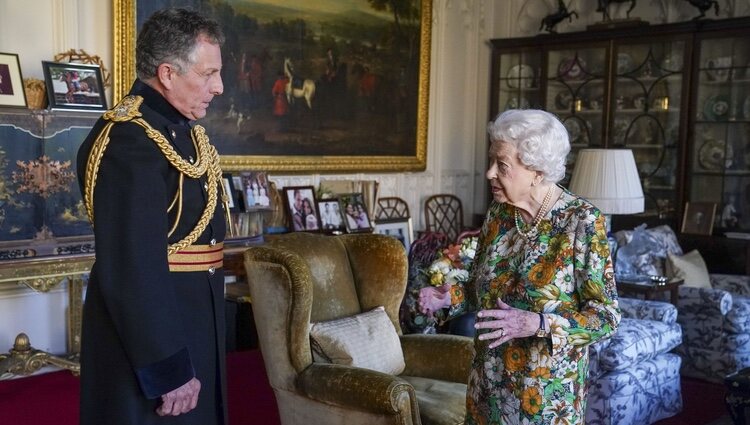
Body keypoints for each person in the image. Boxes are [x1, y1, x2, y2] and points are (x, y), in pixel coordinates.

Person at [76, 8, 229, 425]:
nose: (218, 86)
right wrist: (168, 367)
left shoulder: (182, 132)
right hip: (152, 344)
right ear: (167, 72)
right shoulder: (129, 139)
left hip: (192, 321)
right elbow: (132, 267)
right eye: (208, 73)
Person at [418, 109, 621, 424]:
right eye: (492, 162)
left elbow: (606, 317)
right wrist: (449, 297)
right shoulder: (499, 214)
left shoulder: (581, 221)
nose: (489, 174)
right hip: (487, 387)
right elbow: (481, 287)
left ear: (537, 172)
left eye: (501, 165)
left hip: (544, 397)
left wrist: (538, 324)